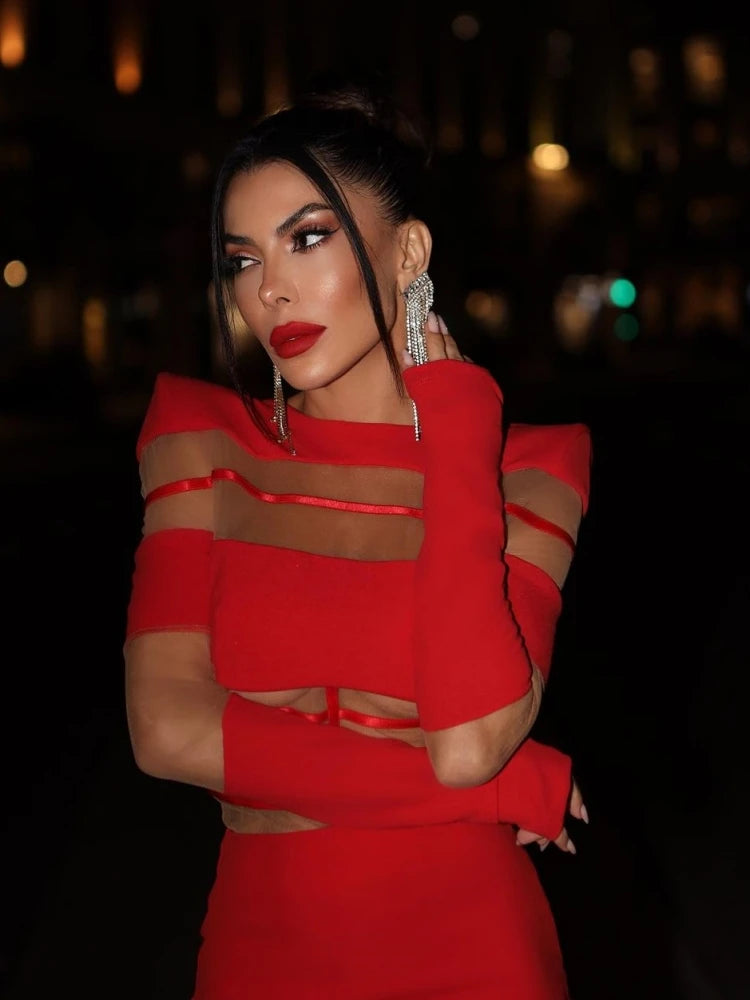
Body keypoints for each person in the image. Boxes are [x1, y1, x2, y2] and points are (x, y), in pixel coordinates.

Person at [124, 77, 592, 999]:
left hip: (472, 946)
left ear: (409, 249)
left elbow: (467, 744)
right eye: (241, 258)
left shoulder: (530, 470)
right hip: (266, 948)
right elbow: (166, 730)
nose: (270, 289)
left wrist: (460, 432)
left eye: (308, 238)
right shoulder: (203, 441)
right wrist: (505, 792)